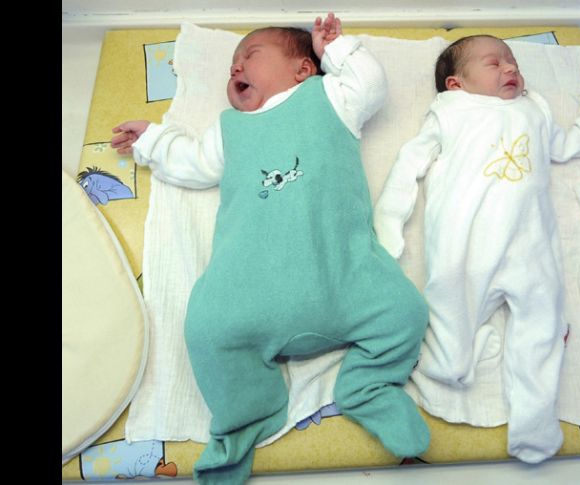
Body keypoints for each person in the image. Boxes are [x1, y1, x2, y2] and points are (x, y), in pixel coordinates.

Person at [112, 14, 430, 485]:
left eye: (250, 56)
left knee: (406, 313)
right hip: (250, 296)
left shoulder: (330, 97)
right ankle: (249, 413)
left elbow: (371, 84)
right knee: (206, 327)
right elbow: (193, 163)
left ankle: (368, 385)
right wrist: (153, 140)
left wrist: (335, 49)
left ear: (302, 69)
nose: (235, 67)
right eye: (232, 63)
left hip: (345, 280)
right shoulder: (230, 129)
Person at [373, 34, 580, 464]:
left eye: (513, 62)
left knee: (543, 329)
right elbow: (409, 162)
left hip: (532, 243)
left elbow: (561, 147)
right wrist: (388, 223)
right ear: (456, 83)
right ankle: (445, 363)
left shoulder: (533, 108)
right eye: (495, 63)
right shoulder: (451, 111)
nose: (511, 69)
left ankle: (535, 426)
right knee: (450, 310)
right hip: (467, 239)